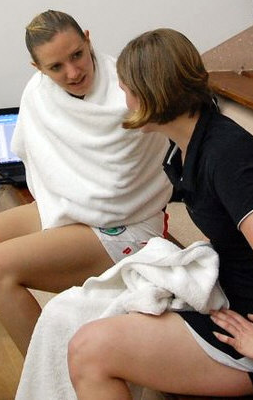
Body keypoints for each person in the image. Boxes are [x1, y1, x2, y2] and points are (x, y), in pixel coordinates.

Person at [0, 10, 172, 400]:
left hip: (127, 221)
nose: (72, 72)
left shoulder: (127, 86)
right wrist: (72, 198)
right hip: (70, 207)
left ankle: (57, 386)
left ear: (88, 38)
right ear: (37, 67)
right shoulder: (38, 92)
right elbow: (42, 162)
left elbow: (124, 180)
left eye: (77, 55)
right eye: (55, 66)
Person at [67, 28, 253, 398]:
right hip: (227, 297)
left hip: (240, 328)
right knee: (73, 315)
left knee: (88, 352)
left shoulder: (226, 154)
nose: (124, 100)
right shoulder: (187, 146)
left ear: (149, 93)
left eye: (125, 89)